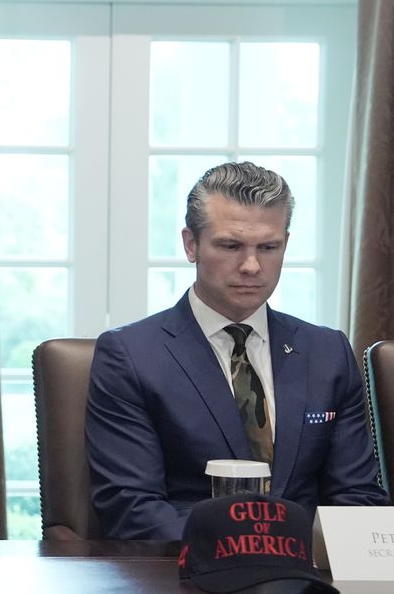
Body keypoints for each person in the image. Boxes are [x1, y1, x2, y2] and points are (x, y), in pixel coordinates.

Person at [86, 161, 388, 540]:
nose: (251, 266)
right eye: (230, 246)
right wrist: (258, 551)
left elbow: (357, 496)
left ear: (286, 245)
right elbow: (132, 508)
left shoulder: (328, 352)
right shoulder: (130, 354)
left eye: (268, 247)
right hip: (187, 572)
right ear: (191, 244)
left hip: (306, 576)